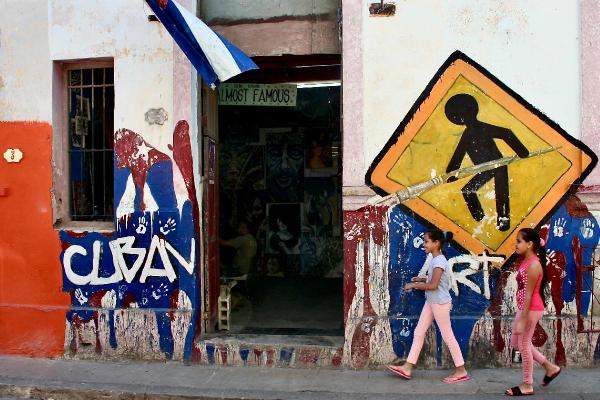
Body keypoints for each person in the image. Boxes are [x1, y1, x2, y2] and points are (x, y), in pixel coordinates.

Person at [387, 230, 469, 384]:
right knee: (419, 333)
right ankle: (407, 368)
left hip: (439, 303)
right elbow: (433, 279)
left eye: (426, 241)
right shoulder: (435, 259)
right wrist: (421, 278)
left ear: (436, 243)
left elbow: (433, 285)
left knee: (448, 337)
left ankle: (461, 371)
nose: (424, 244)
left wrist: (414, 284)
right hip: (432, 302)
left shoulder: (439, 261)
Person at [504, 228, 561, 396]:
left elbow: (529, 294)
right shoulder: (526, 261)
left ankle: (527, 384)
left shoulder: (535, 265)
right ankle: (550, 368)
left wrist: (522, 319)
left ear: (529, 244)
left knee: (523, 345)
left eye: (519, 241)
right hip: (524, 308)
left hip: (530, 309)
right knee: (517, 342)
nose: (516, 244)